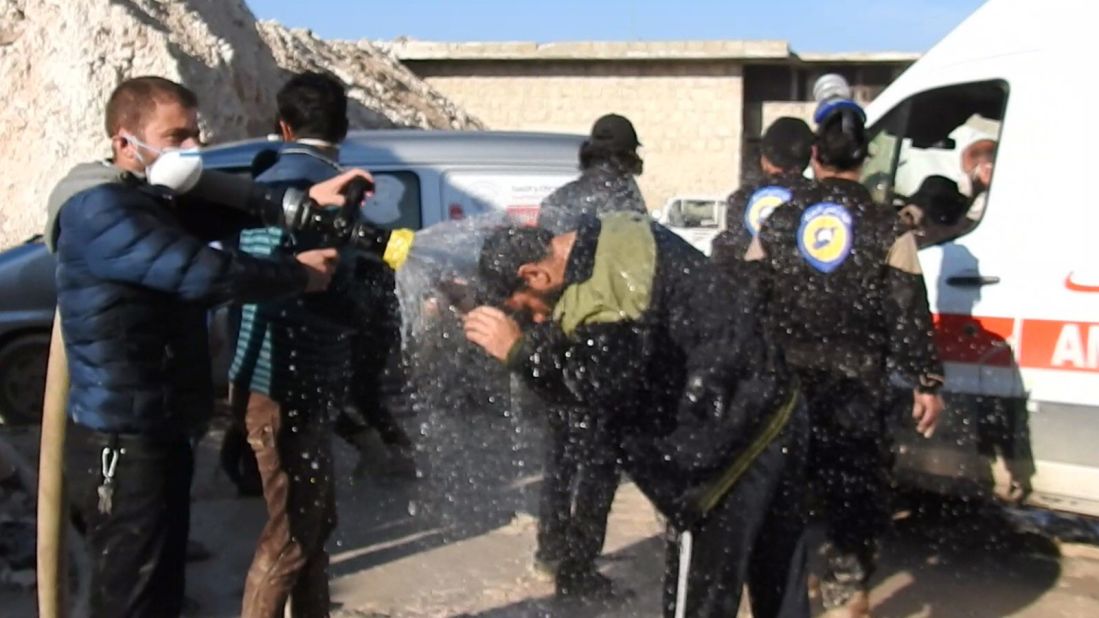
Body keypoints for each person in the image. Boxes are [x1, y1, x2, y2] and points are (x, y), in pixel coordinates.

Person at [52, 76, 358, 618]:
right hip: (123, 439)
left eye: (196, 135)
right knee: (130, 593)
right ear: (126, 142)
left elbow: (227, 206)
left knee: (161, 581)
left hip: (161, 425)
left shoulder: (146, 199)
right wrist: (295, 275)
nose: (191, 149)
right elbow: (202, 274)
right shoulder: (100, 211)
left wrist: (302, 201)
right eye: (176, 137)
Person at [464, 211, 810, 617]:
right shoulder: (611, 233)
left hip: (725, 452)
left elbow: (600, 388)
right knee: (780, 579)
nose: (540, 319)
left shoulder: (608, 296)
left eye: (529, 307)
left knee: (700, 600)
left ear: (535, 275)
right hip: (775, 406)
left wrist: (520, 352)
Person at [745, 105, 945, 618]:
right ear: (866, 156)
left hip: (788, 391)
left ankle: (789, 594)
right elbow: (907, 309)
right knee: (853, 499)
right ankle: (844, 593)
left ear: (814, 156)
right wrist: (927, 381)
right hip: (859, 391)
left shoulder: (777, 220)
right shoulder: (887, 225)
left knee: (786, 499)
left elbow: (748, 301)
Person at [227, 71, 412, 618]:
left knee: (312, 524)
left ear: (284, 126)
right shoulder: (315, 186)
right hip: (288, 384)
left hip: (272, 379)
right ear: (346, 127)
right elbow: (315, 284)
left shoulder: (268, 181)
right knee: (291, 536)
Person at [526, 113, 646, 596]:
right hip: (607, 345)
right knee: (599, 460)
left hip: (559, 341)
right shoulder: (627, 201)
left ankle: (549, 551)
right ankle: (579, 570)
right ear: (629, 156)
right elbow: (637, 280)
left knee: (559, 455)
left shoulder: (556, 201)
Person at [712, 117, 815, 270]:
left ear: (764, 159)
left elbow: (727, 259)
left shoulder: (741, 199)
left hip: (749, 289)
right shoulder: (818, 199)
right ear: (811, 156)